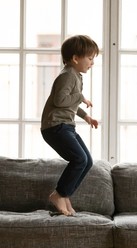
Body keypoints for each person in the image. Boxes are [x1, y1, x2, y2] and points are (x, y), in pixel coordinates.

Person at [41, 35, 99, 216]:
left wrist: (85, 116)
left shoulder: (75, 75)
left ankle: (64, 195)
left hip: (66, 125)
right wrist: (81, 97)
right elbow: (60, 100)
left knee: (87, 161)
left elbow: (69, 104)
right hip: (55, 126)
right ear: (75, 58)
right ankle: (58, 194)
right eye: (90, 59)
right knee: (79, 159)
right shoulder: (67, 76)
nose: (92, 63)